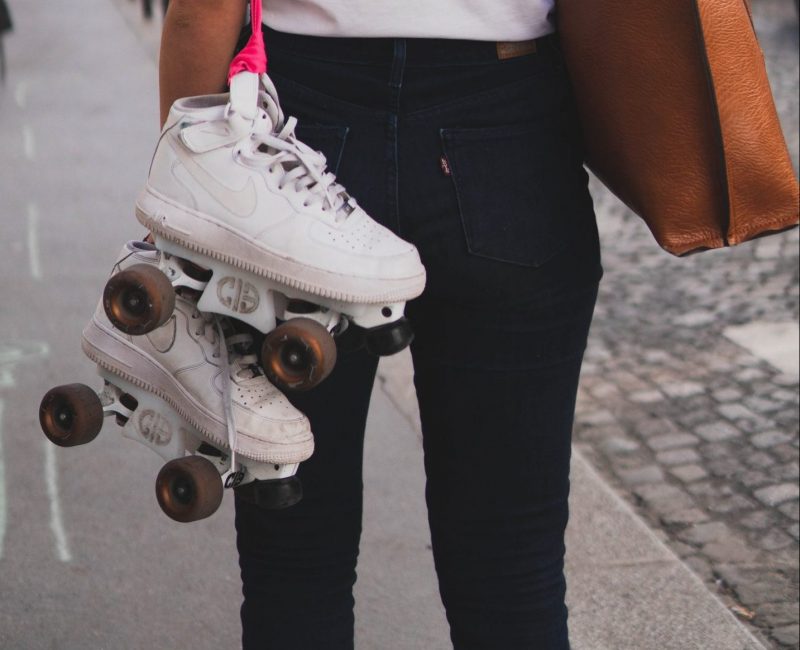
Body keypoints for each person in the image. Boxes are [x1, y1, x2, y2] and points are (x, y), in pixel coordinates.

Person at [158, 1, 602, 648]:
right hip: (507, 126)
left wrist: (185, 205)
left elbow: (202, 12)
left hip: (296, 140)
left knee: (294, 557)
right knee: (511, 566)